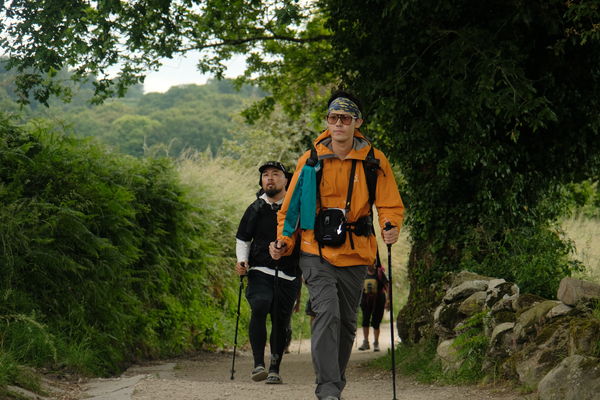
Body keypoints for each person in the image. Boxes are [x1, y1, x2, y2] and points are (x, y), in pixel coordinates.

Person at [270, 90, 405, 400]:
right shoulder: (311, 159)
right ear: (327, 122)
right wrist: (284, 241)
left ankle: (335, 380)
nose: (339, 124)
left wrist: (391, 226)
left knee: (346, 323)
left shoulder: (374, 159)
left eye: (345, 118)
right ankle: (328, 389)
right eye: (334, 118)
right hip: (315, 250)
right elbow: (289, 209)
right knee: (327, 313)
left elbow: (390, 204)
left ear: (357, 122)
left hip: (357, 252)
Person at [235, 161, 301, 384]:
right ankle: (258, 365)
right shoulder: (255, 208)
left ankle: (274, 368)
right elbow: (243, 238)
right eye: (265, 175)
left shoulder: (296, 208)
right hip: (260, 270)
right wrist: (242, 261)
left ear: (286, 180)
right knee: (260, 304)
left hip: (289, 273)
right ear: (261, 181)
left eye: (275, 174)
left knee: (281, 320)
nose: (269, 178)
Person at [358, 255, 389, 352]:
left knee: (376, 322)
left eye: (370, 262)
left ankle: (376, 343)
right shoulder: (362, 273)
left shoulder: (379, 273)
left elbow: (387, 286)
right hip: (365, 300)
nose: (368, 265)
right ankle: (366, 342)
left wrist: (388, 300)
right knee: (365, 320)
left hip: (379, 300)